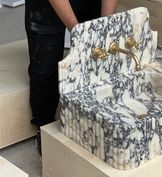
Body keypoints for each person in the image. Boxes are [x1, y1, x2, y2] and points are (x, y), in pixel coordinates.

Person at [25, 0, 118, 155]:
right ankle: (44, 127)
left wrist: (104, 28)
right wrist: (79, 35)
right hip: (46, 6)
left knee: (98, 58)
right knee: (45, 70)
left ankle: (91, 120)